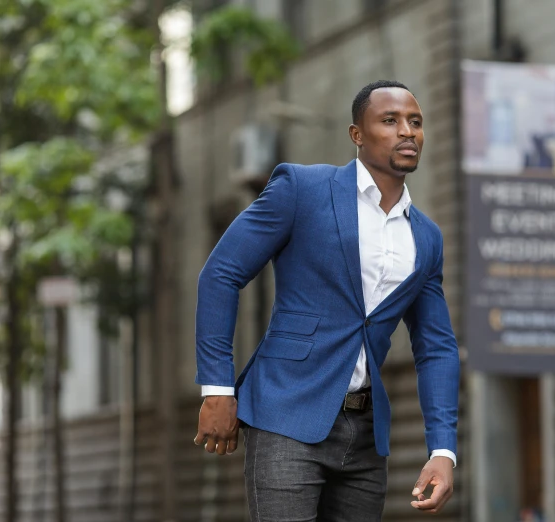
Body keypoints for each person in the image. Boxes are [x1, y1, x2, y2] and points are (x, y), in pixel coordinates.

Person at [193, 80, 460, 521]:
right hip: (286, 414)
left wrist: (443, 449)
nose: (406, 132)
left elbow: (436, 347)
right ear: (357, 135)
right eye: (389, 121)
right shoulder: (302, 189)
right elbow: (220, 274)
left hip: (365, 435)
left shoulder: (425, 237)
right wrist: (217, 388)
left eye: (415, 122)